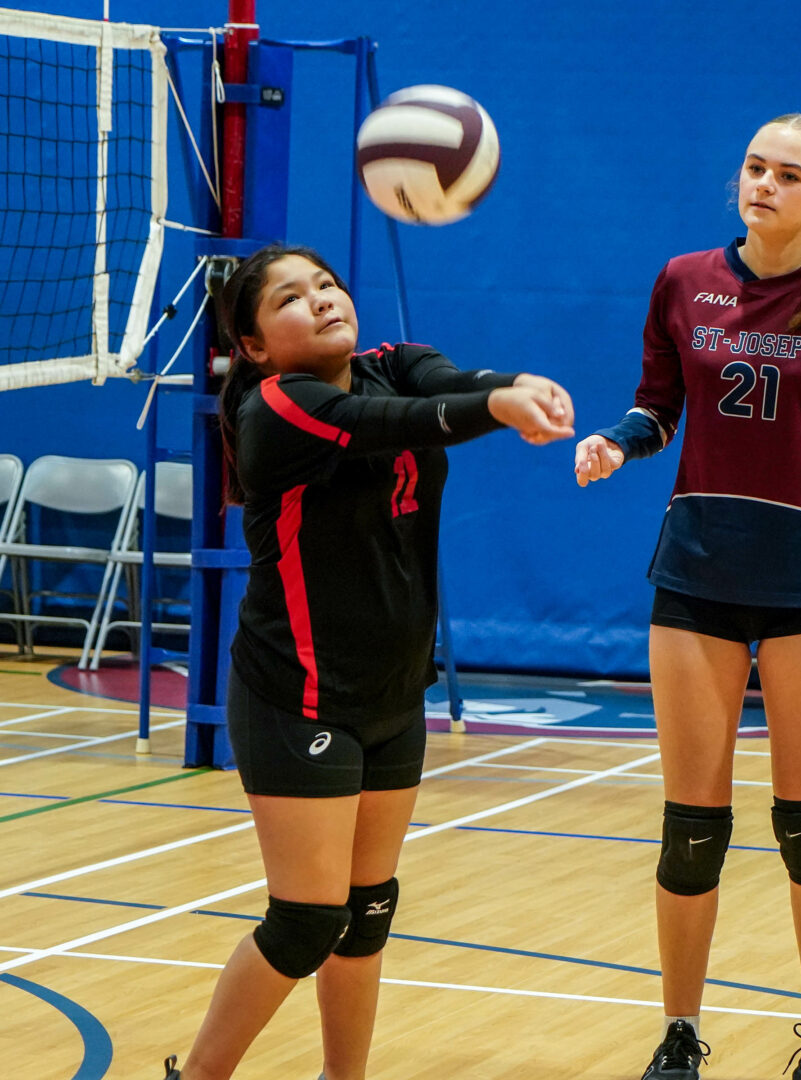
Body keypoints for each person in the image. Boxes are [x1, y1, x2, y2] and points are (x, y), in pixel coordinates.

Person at [160, 243, 574, 1080]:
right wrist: (499, 404)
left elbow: (444, 385)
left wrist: (516, 387)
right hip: (299, 695)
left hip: (392, 691)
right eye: (289, 300)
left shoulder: (395, 363)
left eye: (326, 284)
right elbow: (393, 427)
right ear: (254, 346)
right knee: (307, 918)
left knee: (368, 911)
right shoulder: (277, 407)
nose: (319, 301)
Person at [575, 114, 801, 1080]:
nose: (763, 183)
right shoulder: (684, 280)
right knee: (693, 826)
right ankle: (679, 1031)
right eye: (755, 166)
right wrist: (618, 443)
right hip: (697, 576)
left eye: (787, 173)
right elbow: (657, 406)